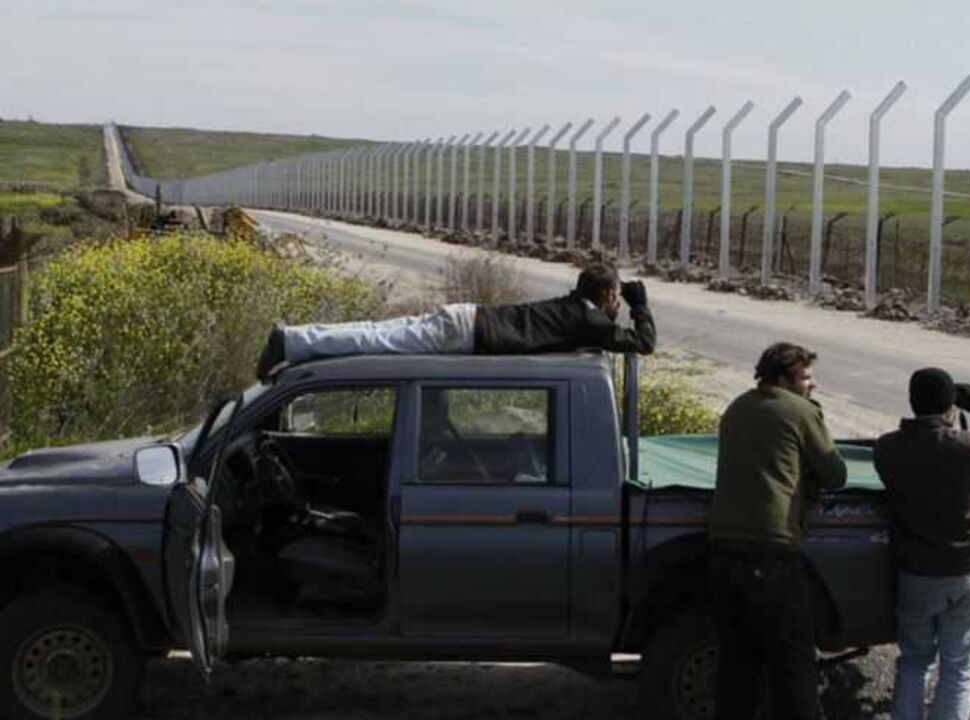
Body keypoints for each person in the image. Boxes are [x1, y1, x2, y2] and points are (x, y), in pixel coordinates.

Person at [707, 342, 848, 720]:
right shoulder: (799, 411)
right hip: (771, 552)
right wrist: (815, 416)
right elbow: (836, 474)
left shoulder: (736, 408)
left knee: (738, 664)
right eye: (805, 378)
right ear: (784, 379)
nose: (811, 386)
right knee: (793, 665)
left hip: (722, 552)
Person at [873, 368, 970, 720]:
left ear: (911, 402)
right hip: (966, 572)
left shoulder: (888, 448)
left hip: (917, 573)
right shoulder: (967, 447)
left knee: (913, 661)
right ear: (951, 407)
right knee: (957, 667)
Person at [255, 262, 655, 378]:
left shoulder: (575, 307)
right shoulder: (591, 321)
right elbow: (645, 342)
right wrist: (640, 305)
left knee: (376, 333)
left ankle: (293, 339)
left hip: (467, 319)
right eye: (616, 294)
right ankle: (290, 341)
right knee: (375, 342)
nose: (618, 300)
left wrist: (623, 301)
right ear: (604, 295)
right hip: (467, 333)